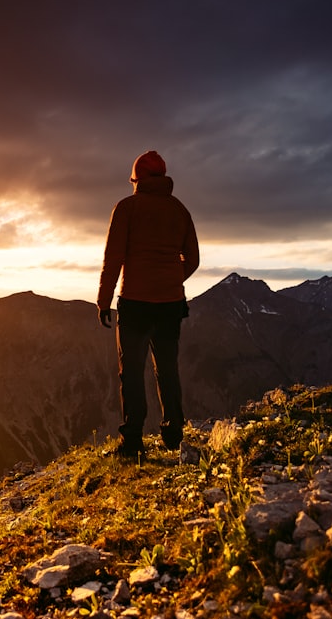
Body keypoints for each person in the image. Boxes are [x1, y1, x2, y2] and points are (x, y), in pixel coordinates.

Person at [97, 150, 199, 458]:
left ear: (136, 179)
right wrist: (170, 279)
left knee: (131, 371)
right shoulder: (179, 210)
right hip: (170, 304)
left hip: (135, 304)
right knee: (167, 367)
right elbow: (192, 260)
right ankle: (174, 432)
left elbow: (113, 258)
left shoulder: (126, 208)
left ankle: (132, 442)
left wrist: (104, 301)